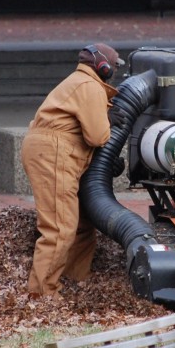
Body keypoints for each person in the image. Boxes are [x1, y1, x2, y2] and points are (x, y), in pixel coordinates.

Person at [21, 43, 123, 297]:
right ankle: (42, 294)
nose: (115, 72)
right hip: (53, 153)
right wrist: (107, 121)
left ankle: (75, 280)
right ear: (103, 67)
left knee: (82, 223)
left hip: (55, 151)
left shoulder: (82, 83)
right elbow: (98, 136)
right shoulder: (89, 86)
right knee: (60, 225)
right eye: (114, 66)